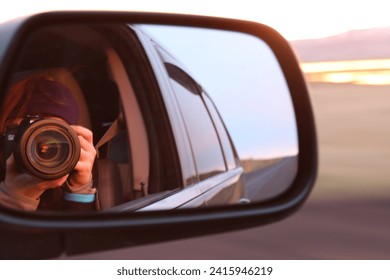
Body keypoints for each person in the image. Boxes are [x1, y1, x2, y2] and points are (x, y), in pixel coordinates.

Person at [0, 74, 97, 212]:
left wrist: (79, 190)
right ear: (4, 134)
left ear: (74, 141)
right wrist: (11, 198)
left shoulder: (71, 177)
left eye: (53, 135)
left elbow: (80, 233)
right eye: (25, 132)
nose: (43, 146)